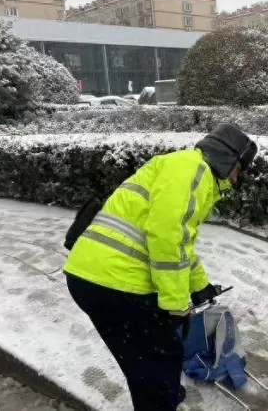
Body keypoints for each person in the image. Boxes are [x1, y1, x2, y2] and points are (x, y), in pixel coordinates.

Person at [63, 124, 257, 411]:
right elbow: (167, 238)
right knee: (162, 355)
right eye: (239, 169)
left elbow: (181, 243)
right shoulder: (196, 171)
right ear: (230, 160)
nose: (236, 178)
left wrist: (199, 286)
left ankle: (159, 394)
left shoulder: (179, 164)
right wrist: (176, 305)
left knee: (138, 356)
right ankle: (159, 398)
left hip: (88, 276)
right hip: (117, 281)